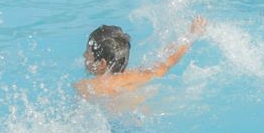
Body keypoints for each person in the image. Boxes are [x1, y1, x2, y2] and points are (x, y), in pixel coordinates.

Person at [74, 17, 206, 99]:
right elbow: (167, 62)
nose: (84, 55)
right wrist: (192, 35)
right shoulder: (140, 75)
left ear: (102, 63)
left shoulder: (86, 87)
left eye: (87, 52)